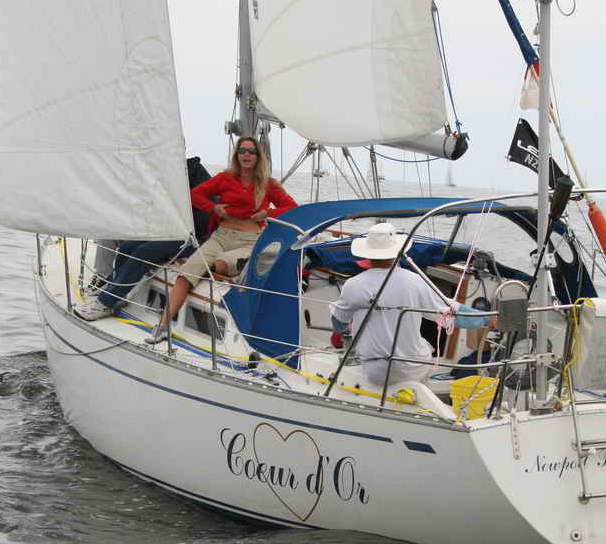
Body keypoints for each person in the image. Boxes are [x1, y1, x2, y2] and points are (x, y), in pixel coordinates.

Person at [146, 135, 297, 343]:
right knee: (186, 273)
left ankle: (235, 266)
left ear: (258, 156)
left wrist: (267, 213)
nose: (246, 154)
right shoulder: (225, 178)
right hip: (221, 237)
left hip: (249, 240)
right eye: (242, 150)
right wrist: (213, 208)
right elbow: (194, 194)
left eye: (251, 151)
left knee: (221, 265)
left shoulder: (268, 184)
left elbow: (292, 208)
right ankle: (163, 326)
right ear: (237, 155)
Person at [75, 157, 213, 320]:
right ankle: (118, 293)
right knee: (126, 247)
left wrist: (182, 224)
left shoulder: (195, 172)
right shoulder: (163, 173)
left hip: (194, 236)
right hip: (170, 230)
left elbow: (207, 213)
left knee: (143, 253)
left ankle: (105, 303)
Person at [328, 222, 448, 386]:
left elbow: (338, 324)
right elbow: (450, 313)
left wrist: (346, 327)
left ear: (367, 255)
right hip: (413, 369)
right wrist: (481, 319)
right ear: (397, 251)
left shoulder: (353, 284)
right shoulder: (415, 281)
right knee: (425, 346)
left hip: (377, 372)